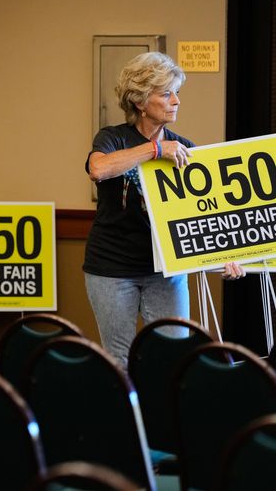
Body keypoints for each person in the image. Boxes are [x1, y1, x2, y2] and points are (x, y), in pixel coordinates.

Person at [83, 51, 244, 367]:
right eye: (166, 93)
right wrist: (155, 150)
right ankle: (128, 418)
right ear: (141, 101)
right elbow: (99, 170)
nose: (176, 101)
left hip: (166, 271)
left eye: (177, 93)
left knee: (173, 358)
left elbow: (202, 212)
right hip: (111, 268)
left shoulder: (185, 147)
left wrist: (226, 253)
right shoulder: (113, 137)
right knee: (120, 361)